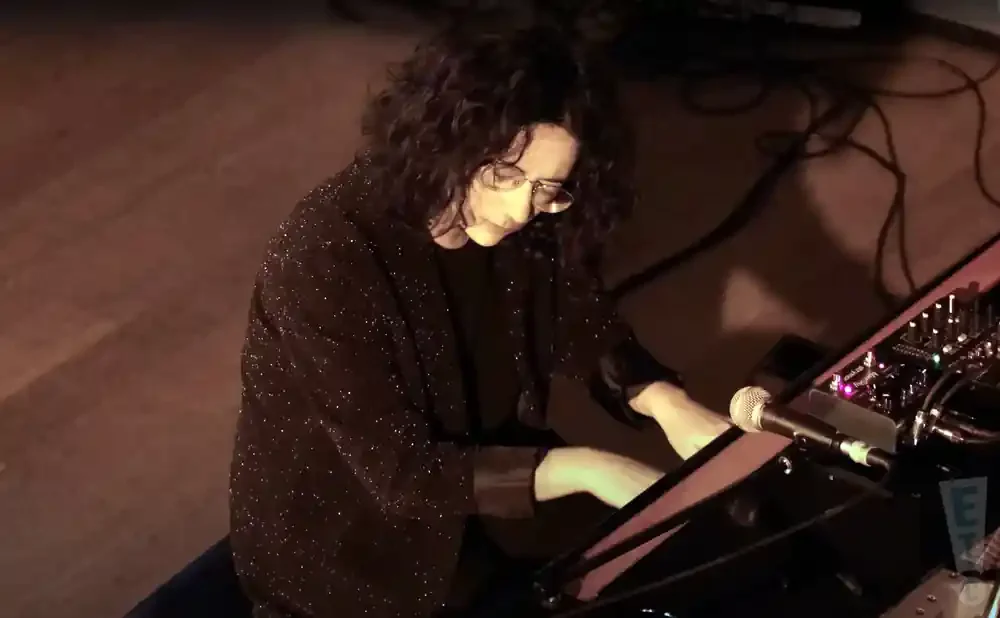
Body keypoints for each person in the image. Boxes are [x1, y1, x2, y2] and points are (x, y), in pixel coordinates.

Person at [229, 20, 731, 618]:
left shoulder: (537, 210)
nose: (523, 208)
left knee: (686, 572)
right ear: (443, 141)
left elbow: (576, 312)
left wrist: (661, 399)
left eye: (549, 186)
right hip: (356, 559)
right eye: (505, 175)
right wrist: (591, 467)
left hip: (493, 501)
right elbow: (401, 474)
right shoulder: (324, 257)